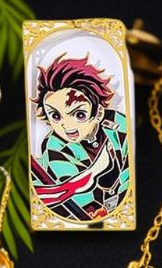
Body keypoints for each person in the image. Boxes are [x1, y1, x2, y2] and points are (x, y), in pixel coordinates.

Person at [31, 54, 130, 220]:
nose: (67, 125)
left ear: (98, 112)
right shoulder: (53, 146)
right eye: (55, 116)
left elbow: (129, 171)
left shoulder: (118, 123)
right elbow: (75, 195)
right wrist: (95, 171)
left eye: (79, 114)